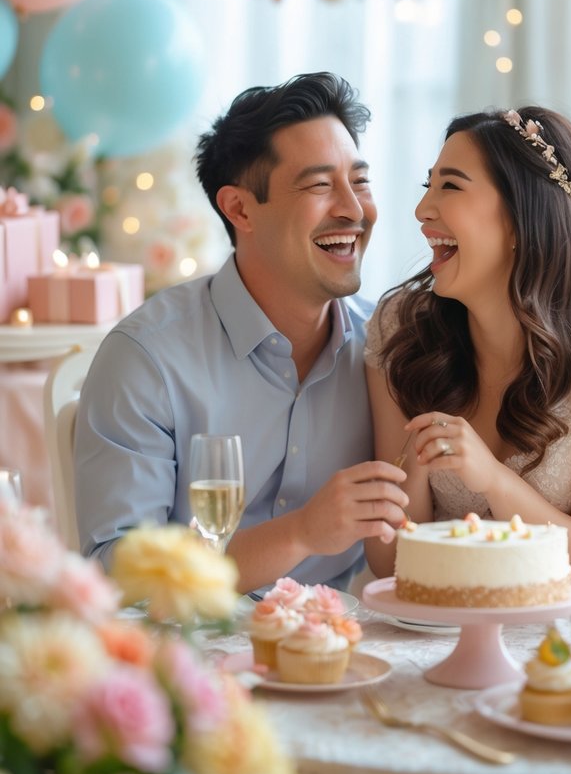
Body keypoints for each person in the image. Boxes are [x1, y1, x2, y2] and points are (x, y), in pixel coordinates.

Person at [74, 72, 408, 595]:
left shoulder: (387, 348)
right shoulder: (148, 358)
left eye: (359, 181)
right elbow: (117, 572)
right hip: (192, 656)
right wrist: (300, 533)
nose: (353, 208)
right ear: (240, 208)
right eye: (321, 185)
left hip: (341, 650)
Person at [364, 105, 571, 586]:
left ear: (521, 218)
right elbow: (389, 561)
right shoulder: (402, 330)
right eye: (428, 186)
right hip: (442, 631)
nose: (422, 211)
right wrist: (413, 463)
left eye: (451, 186)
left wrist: (491, 478)